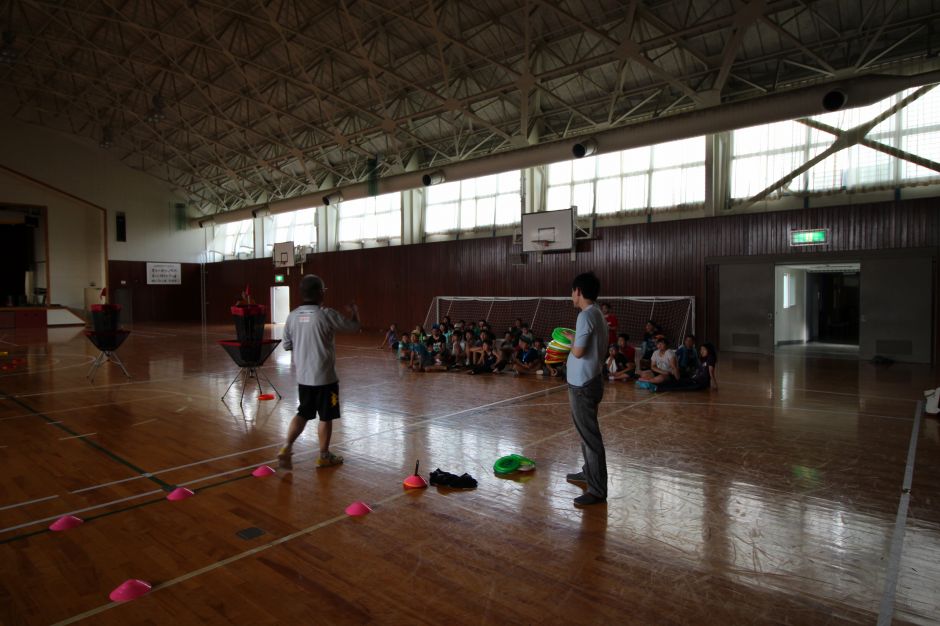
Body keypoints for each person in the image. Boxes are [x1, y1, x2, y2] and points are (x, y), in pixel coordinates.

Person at [277, 275, 359, 470]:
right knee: (325, 416)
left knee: (303, 413)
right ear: (320, 292)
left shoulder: (292, 316)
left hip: (303, 378)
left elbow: (287, 345)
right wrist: (355, 312)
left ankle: (286, 447)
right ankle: (324, 455)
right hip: (325, 379)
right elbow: (354, 328)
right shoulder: (326, 314)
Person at [565, 271, 609, 507]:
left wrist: (570, 341)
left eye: (572, 291)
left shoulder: (585, 315)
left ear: (579, 291)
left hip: (583, 385)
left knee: (590, 438)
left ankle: (597, 490)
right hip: (590, 381)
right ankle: (588, 472)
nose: (571, 296)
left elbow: (579, 351)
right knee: (586, 434)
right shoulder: (597, 313)